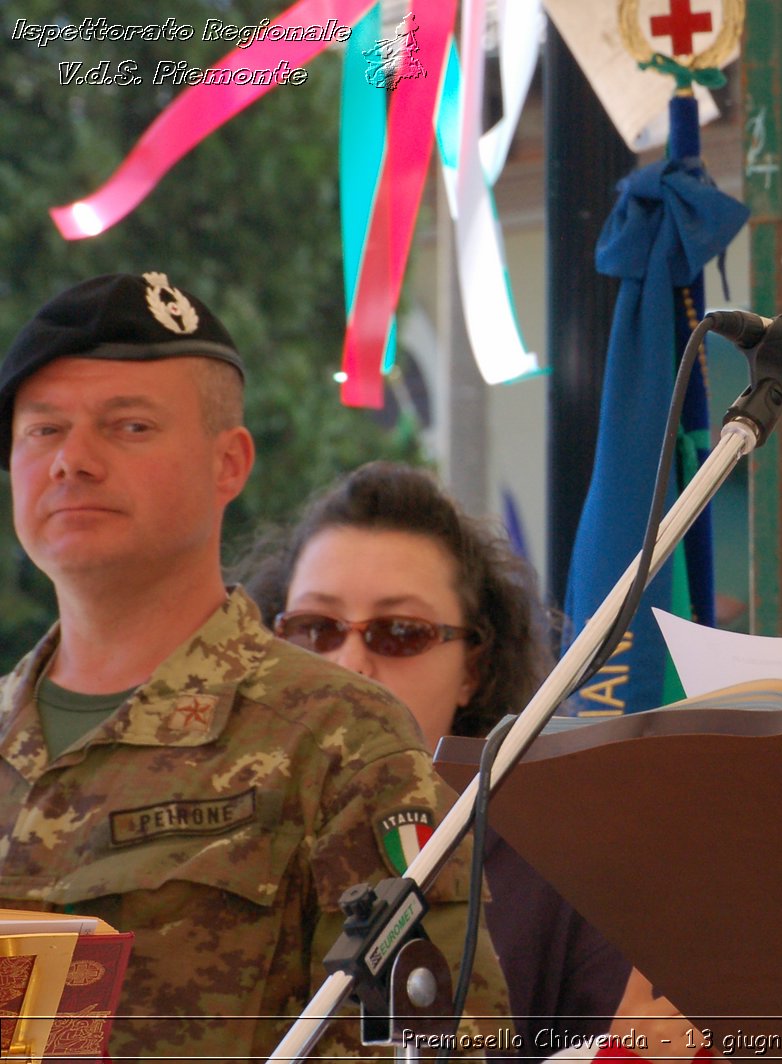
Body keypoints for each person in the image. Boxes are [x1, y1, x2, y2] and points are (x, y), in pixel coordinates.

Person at [0, 273, 509, 1060]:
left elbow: (431, 1045)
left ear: (228, 463)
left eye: (128, 426)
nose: (74, 460)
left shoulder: (341, 742)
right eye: (43, 431)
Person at [245, 461, 634, 1056]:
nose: (349, 664)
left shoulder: (563, 863)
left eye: (400, 632)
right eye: (315, 628)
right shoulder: (217, 832)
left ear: (472, 671)